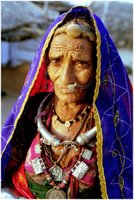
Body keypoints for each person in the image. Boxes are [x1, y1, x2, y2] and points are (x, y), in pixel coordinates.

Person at [1, 6, 132, 199]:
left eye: (81, 63)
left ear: (99, 70)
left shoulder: (115, 126)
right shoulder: (30, 113)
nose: (65, 77)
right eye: (56, 61)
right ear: (45, 65)